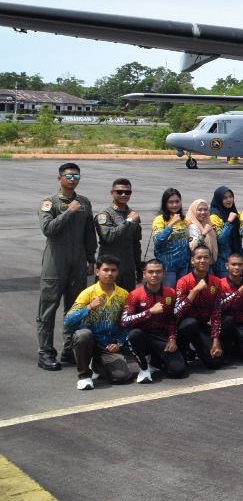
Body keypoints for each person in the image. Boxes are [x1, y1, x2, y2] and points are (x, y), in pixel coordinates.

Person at [36, 162, 97, 371]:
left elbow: (90, 233)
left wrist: (91, 258)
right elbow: (48, 229)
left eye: (76, 176)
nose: (73, 180)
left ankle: (70, 350)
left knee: (75, 308)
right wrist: (69, 212)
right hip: (55, 261)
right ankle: (45, 352)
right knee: (48, 309)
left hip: (78, 261)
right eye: (69, 176)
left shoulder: (85, 203)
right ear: (59, 178)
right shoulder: (49, 203)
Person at [64, 255, 132, 390]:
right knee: (83, 335)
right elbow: (68, 320)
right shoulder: (88, 293)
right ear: (97, 272)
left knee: (122, 377)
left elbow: (127, 322)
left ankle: (97, 365)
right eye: (105, 270)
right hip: (89, 341)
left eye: (113, 270)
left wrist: (119, 342)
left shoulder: (123, 295)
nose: (109, 273)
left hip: (107, 345)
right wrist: (89, 307)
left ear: (117, 272)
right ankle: (84, 376)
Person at [123, 258, 186, 383]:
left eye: (158, 272)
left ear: (164, 273)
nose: (154, 275)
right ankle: (144, 368)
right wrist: (149, 312)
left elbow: (171, 319)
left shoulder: (170, 293)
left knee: (178, 371)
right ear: (144, 274)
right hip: (142, 337)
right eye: (150, 272)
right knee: (133, 335)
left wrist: (172, 339)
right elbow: (124, 321)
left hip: (161, 337)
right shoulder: (134, 295)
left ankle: (156, 360)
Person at [174, 246, 226, 370]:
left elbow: (216, 313)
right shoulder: (183, 282)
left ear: (210, 261)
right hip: (184, 325)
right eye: (199, 258)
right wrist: (194, 292)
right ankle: (183, 351)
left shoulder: (216, 282)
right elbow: (177, 313)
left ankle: (197, 348)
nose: (202, 260)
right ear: (192, 260)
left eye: (206, 257)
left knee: (216, 363)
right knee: (190, 323)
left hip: (201, 326)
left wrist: (215, 339)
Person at [94, 178, 142, 291]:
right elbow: (108, 237)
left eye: (127, 192)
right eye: (119, 192)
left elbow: (136, 244)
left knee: (127, 303)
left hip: (128, 268)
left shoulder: (133, 214)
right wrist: (128, 222)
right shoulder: (105, 215)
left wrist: (138, 267)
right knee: (105, 302)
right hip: (109, 268)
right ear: (112, 193)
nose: (124, 194)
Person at [151, 188, 189, 290]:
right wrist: (171, 223)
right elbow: (158, 241)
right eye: (171, 202)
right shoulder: (160, 219)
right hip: (168, 267)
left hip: (183, 265)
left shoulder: (184, 220)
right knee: (169, 295)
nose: (174, 205)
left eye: (177, 201)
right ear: (165, 204)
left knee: (181, 294)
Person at [185, 199, 224, 277]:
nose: (203, 212)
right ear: (193, 211)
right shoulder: (192, 226)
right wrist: (203, 234)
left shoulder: (207, 224)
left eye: (205, 209)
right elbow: (193, 246)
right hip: (197, 266)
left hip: (208, 264)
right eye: (199, 210)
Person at [209, 185, 241, 259]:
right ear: (219, 199)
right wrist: (229, 222)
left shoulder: (234, 212)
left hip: (236, 256)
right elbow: (221, 240)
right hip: (223, 260)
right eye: (225, 198)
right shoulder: (214, 216)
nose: (229, 200)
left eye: (230, 196)